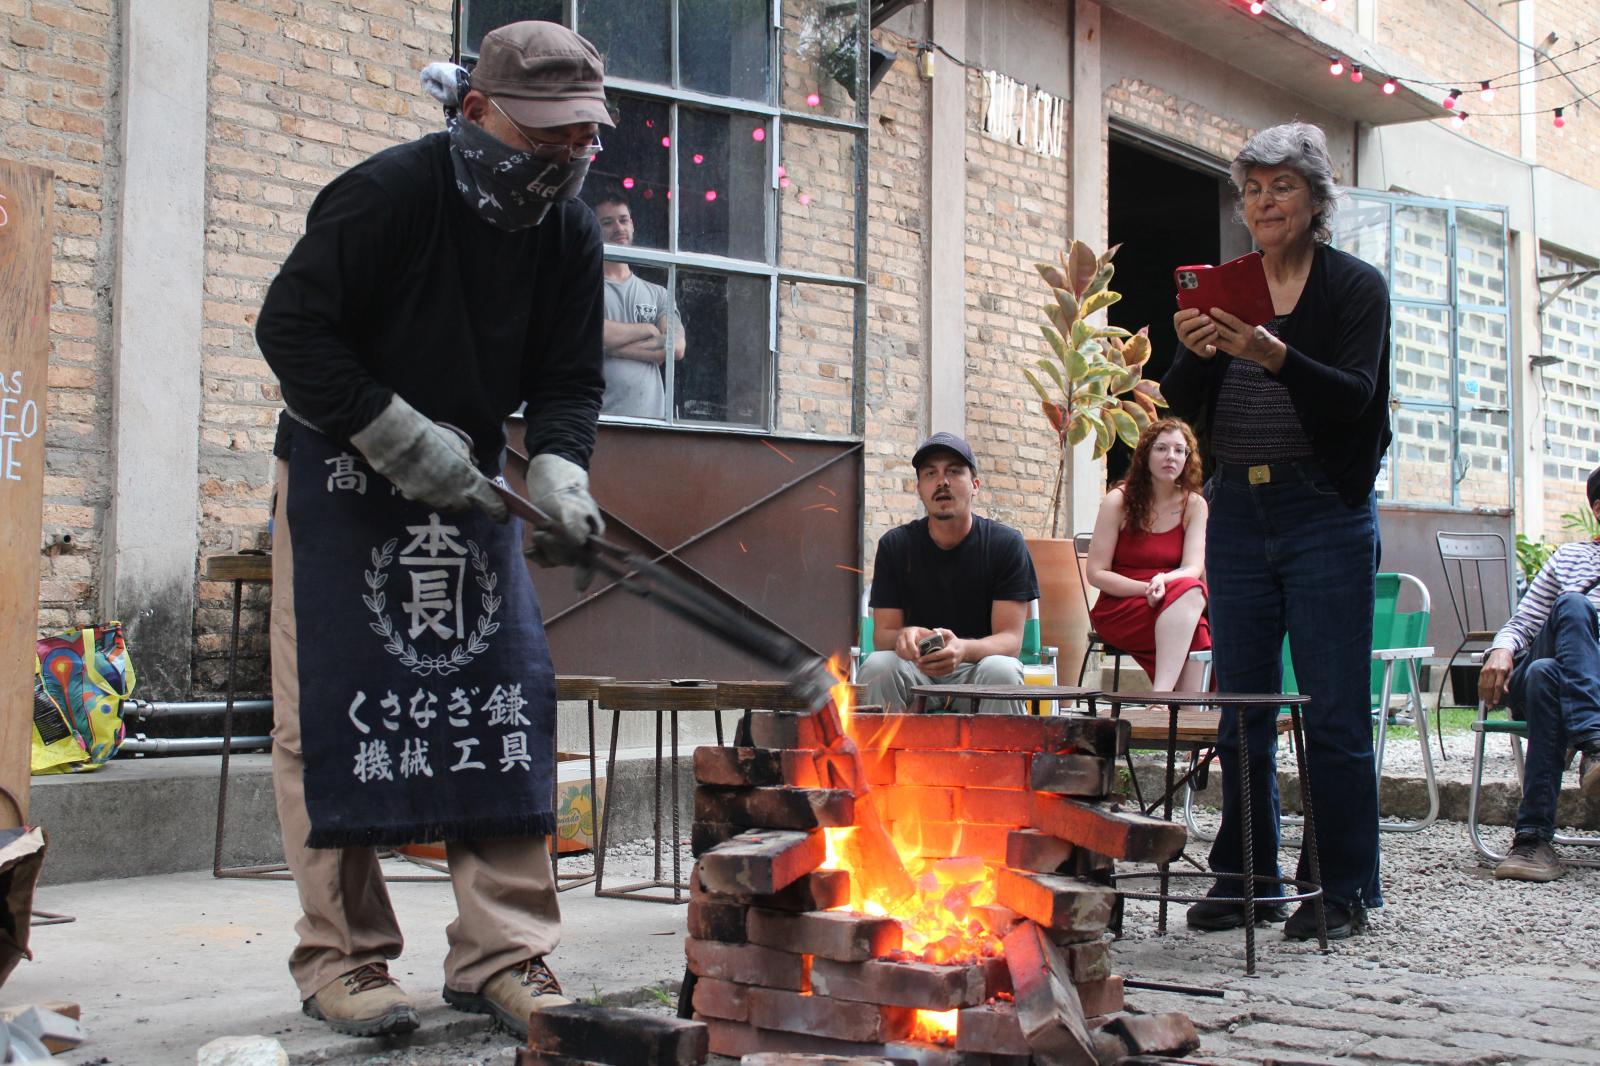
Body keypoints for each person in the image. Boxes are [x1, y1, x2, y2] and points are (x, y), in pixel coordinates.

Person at [253, 21, 611, 1040]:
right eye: (542, 134)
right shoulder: (386, 196)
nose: (562, 157)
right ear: (473, 111)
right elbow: (291, 330)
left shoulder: (568, 232)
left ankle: (502, 952)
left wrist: (559, 466)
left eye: (579, 138)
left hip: (470, 480)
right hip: (340, 466)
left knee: (500, 694)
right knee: (327, 715)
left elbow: (567, 379)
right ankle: (343, 956)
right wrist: (392, 430)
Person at [1164, 121, 1391, 940]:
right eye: (1253, 188)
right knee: (1242, 707)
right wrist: (1194, 350)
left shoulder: (1353, 288)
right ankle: (1249, 876)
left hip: (1323, 510)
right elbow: (1183, 404)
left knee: (1332, 710)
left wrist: (1273, 354)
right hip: (1238, 510)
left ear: (1316, 199)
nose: (1264, 202)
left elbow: (1356, 397)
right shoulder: (1231, 285)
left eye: (1281, 186)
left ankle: (1342, 888)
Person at [857, 432, 1041, 715]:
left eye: (954, 471)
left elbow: (1010, 641)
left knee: (1002, 668)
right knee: (879, 666)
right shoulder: (896, 546)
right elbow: (882, 636)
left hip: (977, 671)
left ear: (975, 485)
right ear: (919, 488)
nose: (942, 481)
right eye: (931, 473)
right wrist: (905, 636)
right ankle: (881, 759)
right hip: (916, 672)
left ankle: (997, 759)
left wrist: (963, 650)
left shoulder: (1005, 545)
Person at [1479, 465, 1600, 881]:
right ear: (1599, 510)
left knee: (1549, 674)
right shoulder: (1570, 557)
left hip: (1564, 684)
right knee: (1572, 605)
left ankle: (1532, 841)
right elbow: (1522, 624)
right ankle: (1593, 741)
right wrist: (1499, 650)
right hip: (1570, 684)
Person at [1086, 418, 1210, 695]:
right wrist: (1147, 589)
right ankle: (1178, 711)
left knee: (1192, 595)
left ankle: (1172, 709)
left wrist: (1163, 582)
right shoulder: (1118, 500)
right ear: (1145, 454)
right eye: (1162, 449)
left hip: (1173, 598)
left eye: (1180, 450)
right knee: (1194, 622)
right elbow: (1096, 573)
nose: (1171, 457)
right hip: (1123, 605)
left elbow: (1192, 567)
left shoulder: (1195, 504)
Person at [590, 182, 686, 418]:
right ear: (594, 229)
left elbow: (676, 347)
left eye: (623, 220)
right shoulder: (584, 288)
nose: (618, 227)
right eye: (607, 222)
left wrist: (609, 348)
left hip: (651, 424)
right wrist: (647, 329)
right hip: (596, 420)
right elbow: (591, 334)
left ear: (632, 224)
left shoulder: (659, 293)